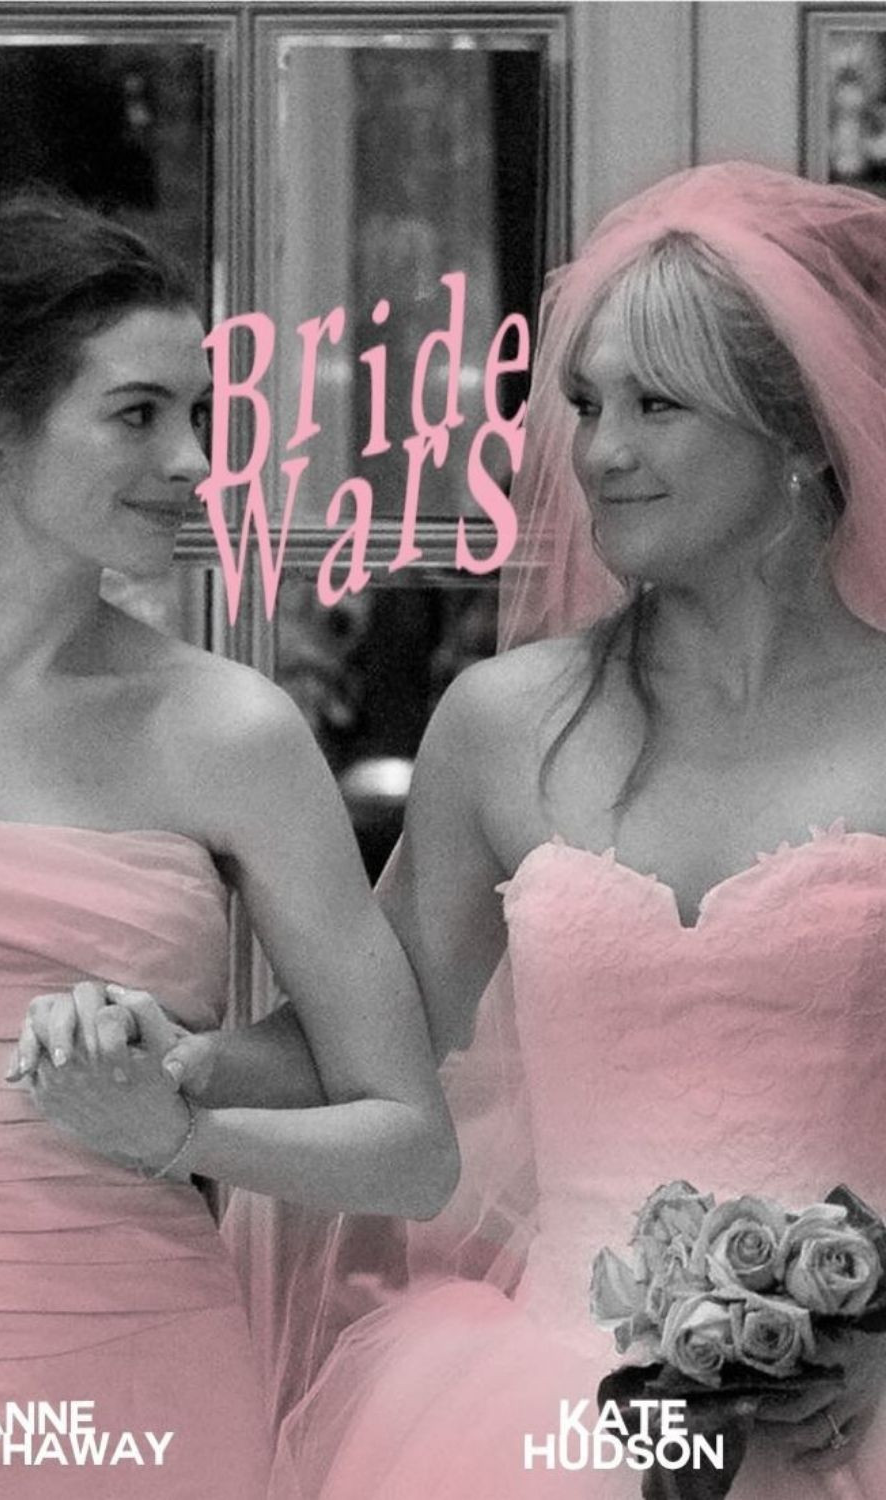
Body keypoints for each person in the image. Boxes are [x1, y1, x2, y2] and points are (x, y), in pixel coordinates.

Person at [240, 160, 886, 1498]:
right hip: (543, 1419)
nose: (599, 452)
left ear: (802, 439)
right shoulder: (499, 723)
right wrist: (171, 1065)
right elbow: (371, 1046)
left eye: (658, 405)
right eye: (587, 403)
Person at [0, 197, 457, 1499]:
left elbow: (414, 1150)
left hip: (138, 1390)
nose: (195, 461)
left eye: (200, 415)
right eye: (138, 414)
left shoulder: (231, 731)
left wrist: (177, 1125)